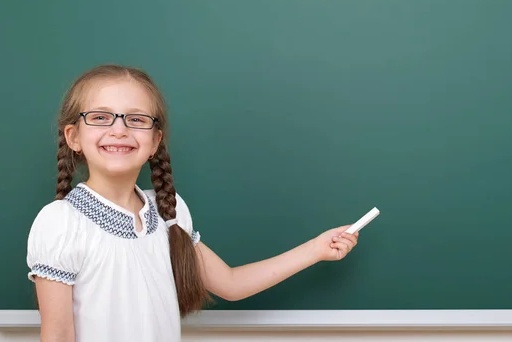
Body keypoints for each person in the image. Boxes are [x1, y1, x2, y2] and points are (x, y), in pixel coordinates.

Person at [26, 64, 360, 342]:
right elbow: (57, 336)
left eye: (137, 119)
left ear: (155, 141)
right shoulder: (61, 222)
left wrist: (316, 249)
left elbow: (230, 284)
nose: (119, 130)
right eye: (100, 117)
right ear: (73, 137)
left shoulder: (169, 212)